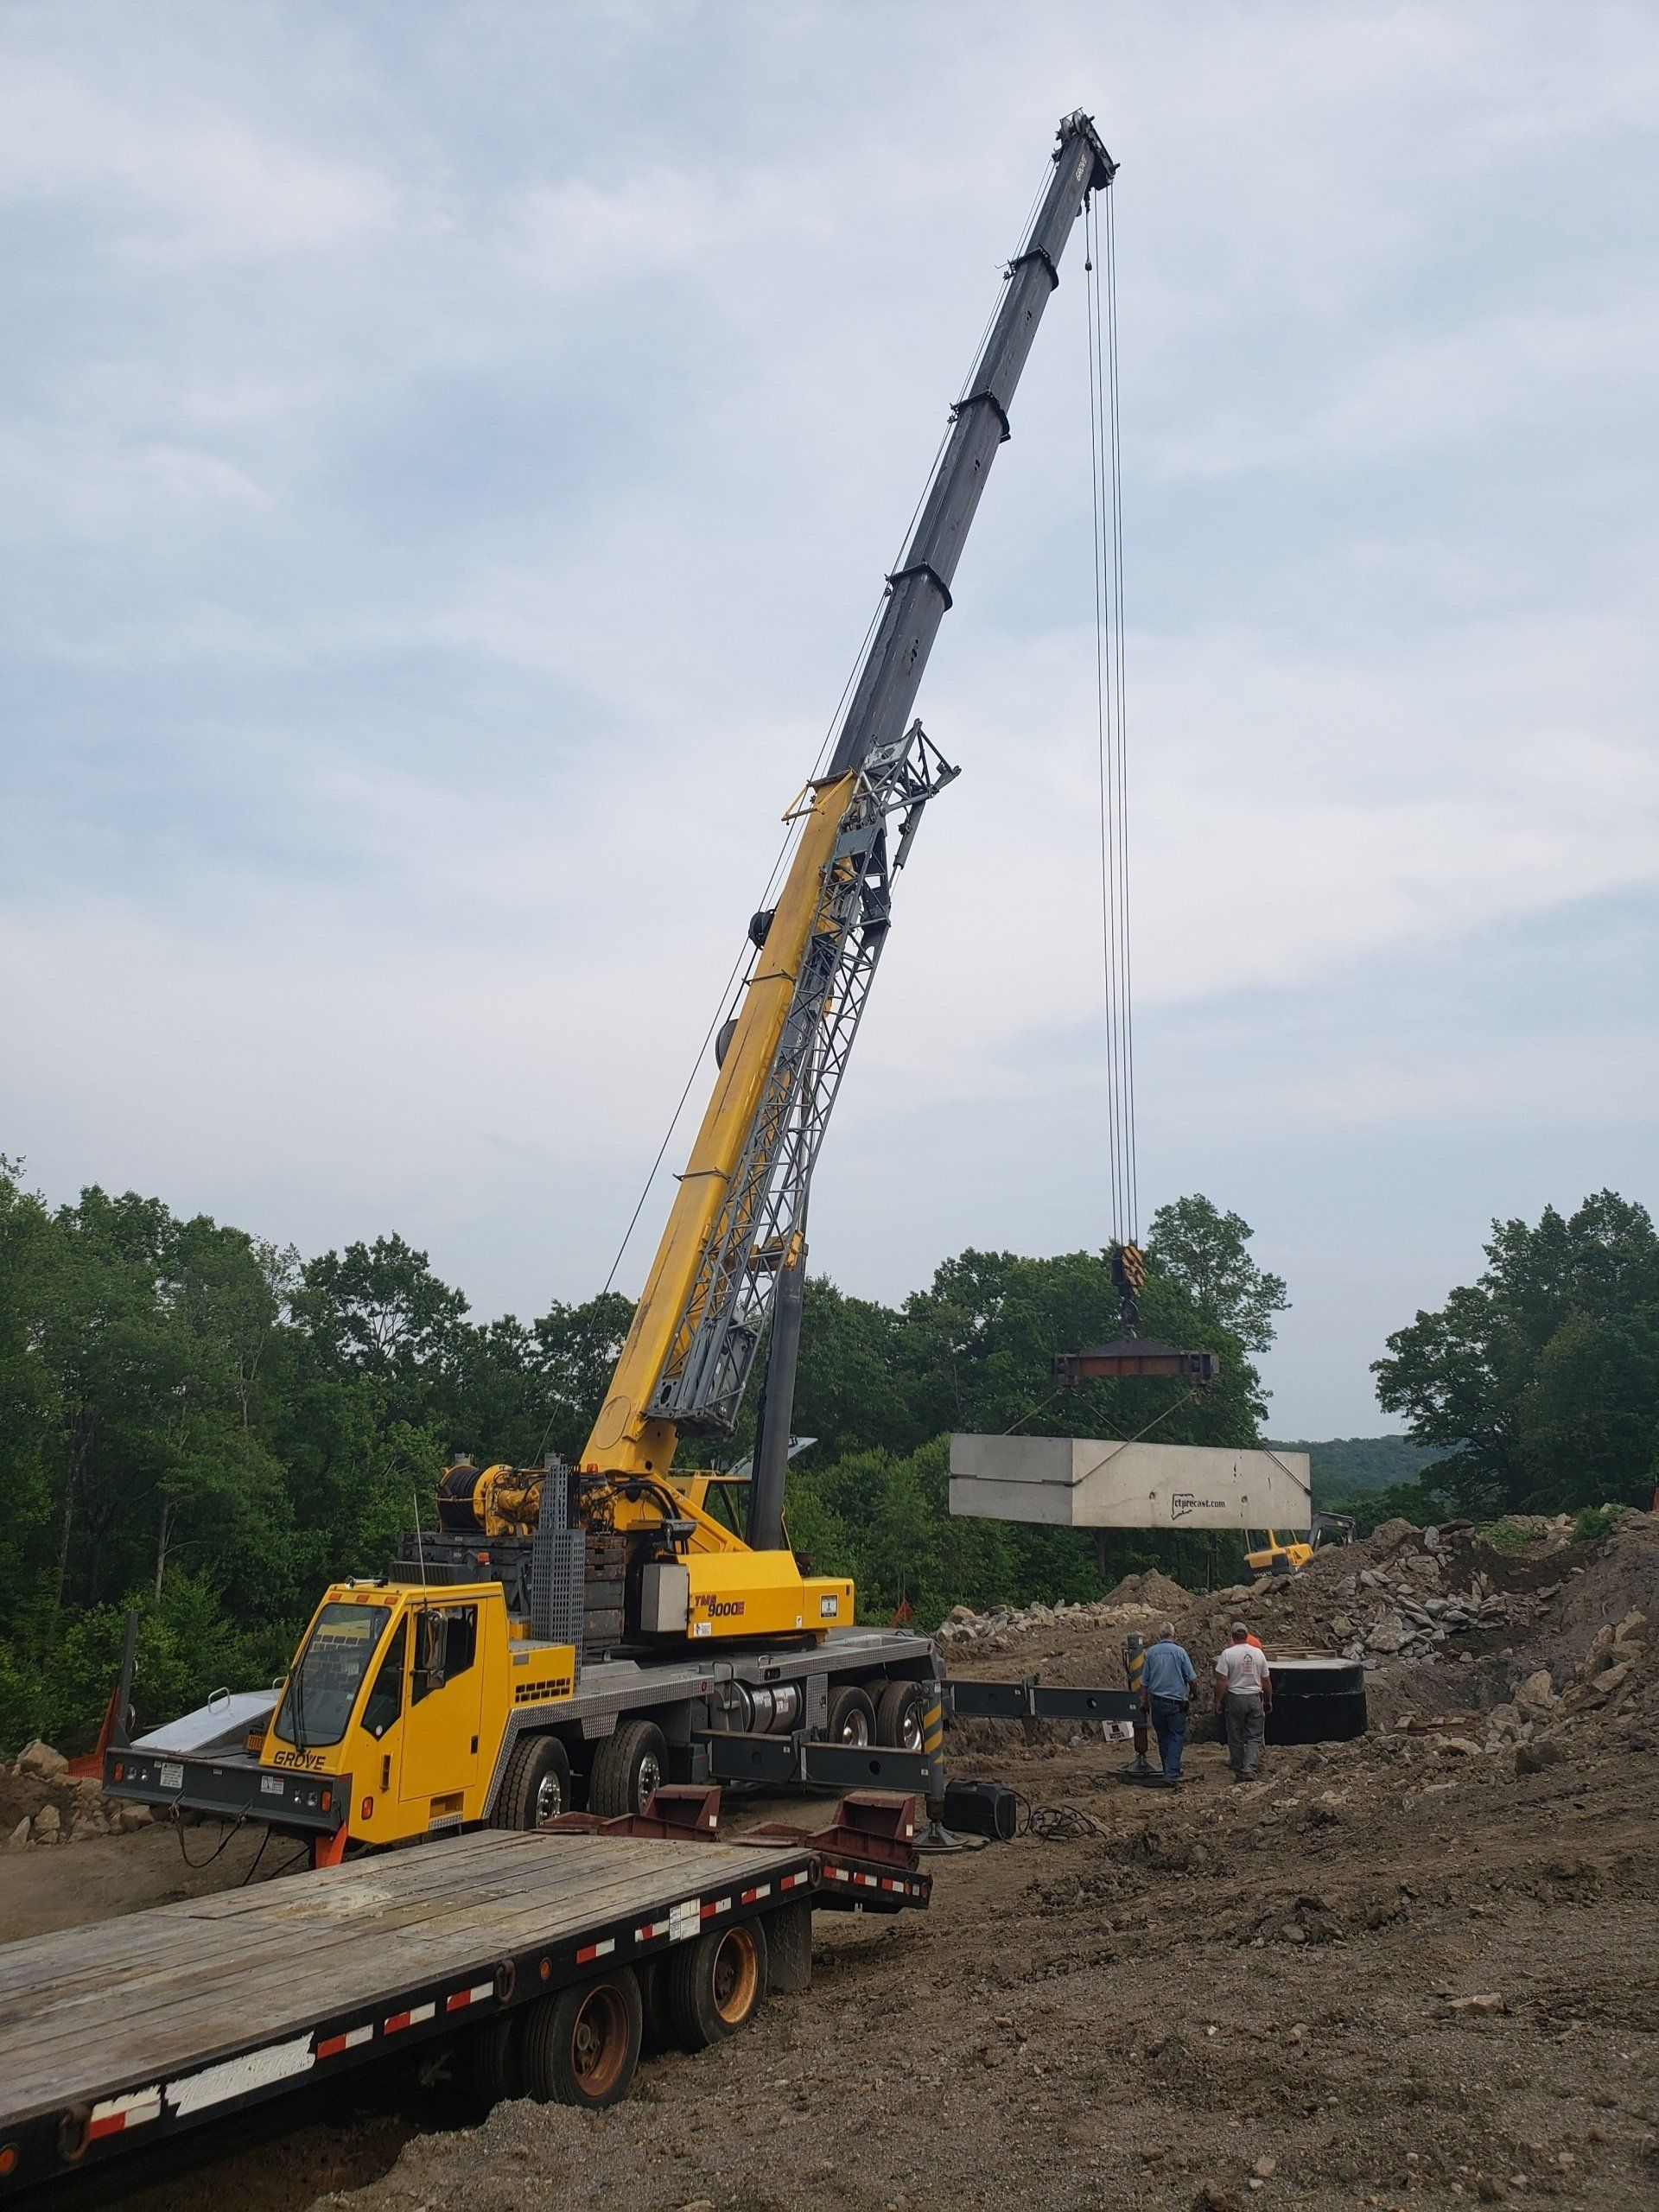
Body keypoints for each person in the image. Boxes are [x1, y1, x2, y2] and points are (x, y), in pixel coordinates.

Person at [1214, 1620, 1273, 1783]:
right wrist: (1268, 1700)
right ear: (1247, 1636)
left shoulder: (1227, 1654)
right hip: (1255, 1698)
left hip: (1235, 1699)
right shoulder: (1258, 1653)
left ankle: (1240, 1772)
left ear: (1232, 1636)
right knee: (1255, 1736)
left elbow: (1221, 1680)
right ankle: (1250, 1768)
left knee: (1236, 1736)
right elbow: (1266, 1680)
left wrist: (1218, 1701)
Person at [1139, 1621, 1197, 1782]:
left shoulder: (1151, 1653)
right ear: (1174, 1635)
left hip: (1157, 1702)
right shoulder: (1180, 1652)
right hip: (1175, 1703)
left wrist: (1143, 1701)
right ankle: (1171, 1773)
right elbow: (1192, 1679)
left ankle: (1168, 1768)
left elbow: (1144, 1682)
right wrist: (1194, 1694)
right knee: (1176, 1736)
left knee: (1163, 1736)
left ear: (1159, 1636)